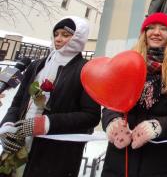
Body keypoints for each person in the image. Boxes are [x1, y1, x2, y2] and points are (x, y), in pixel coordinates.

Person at [0, 16, 101, 177]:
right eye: (56, 34)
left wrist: (46, 124)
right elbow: (17, 102)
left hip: (54, 156)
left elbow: (91, 116)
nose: (58, 39)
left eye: (65, 35)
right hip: (17, 149)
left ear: (78, 37)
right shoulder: (37, 65)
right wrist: (7, 127)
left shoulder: (86, 71)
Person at [101, 12, 167, 177]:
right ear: (144, 34)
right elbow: (110, 105)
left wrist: (159, 126)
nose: (156, 32)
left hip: (161, 163)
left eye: (163, 29)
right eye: (151, 28)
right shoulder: (127, 64)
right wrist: (112, 121)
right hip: (120, 160)